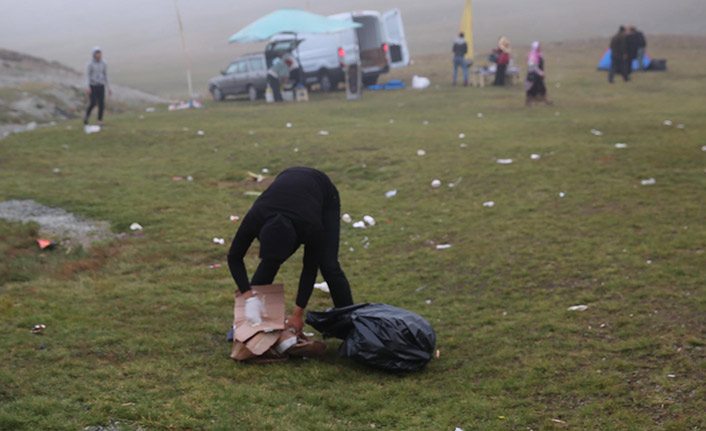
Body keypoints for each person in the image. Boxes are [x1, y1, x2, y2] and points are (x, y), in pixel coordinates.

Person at [227, 167, 354, 333]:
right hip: (289, 182)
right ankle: (246, 322)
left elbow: (309, 269)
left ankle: (351, 324)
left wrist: (297, 314)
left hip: (324, 194)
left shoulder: (311, 228)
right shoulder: (255, 218)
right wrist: (248, 296)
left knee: (329, 265)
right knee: (269, 263)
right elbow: (234, 257)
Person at [84, 46, 111, 125]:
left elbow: (106, 75)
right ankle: (87, 116)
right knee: (93, 103)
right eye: (97, 53)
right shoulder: (90, 64)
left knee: (101, 103)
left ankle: (100, 120)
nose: (99, 55)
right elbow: (87, 76)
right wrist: (87, 87)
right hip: (93, 86)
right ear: (94, 54)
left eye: (99, 53)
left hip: (101, 85)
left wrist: (109, 87)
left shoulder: (104, 63)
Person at [525, 41, 553, 107]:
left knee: (542, 89)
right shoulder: (532, 55)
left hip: (538, 76)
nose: (540, 47)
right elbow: (533, 66)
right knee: (531, 89)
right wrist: (540, 73)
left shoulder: (538, 54)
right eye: (539, 46)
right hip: (533, 75)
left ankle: (546, 101)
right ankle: (528, 102)